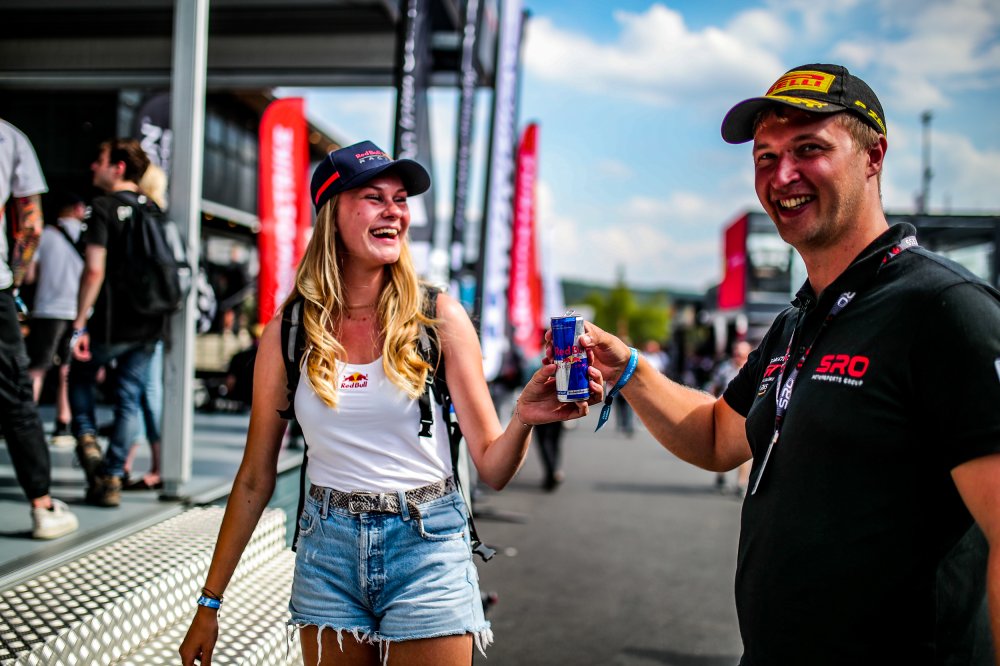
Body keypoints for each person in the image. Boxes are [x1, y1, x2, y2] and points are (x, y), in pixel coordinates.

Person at [576, 64, 1000, 664]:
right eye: (766, 157)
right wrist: (629, 369)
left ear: (874, 156)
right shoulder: (799, 320)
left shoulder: (943, 308)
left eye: (809, 149)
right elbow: (718, 436)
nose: (782, 176)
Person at [179, 140, 602, 666]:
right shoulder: (290, 330)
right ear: (332, 214)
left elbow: (493, 467)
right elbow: (253, 478)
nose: (394, 211)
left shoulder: (438, 317)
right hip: (326, 551)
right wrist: (209, 602)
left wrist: (524, 417)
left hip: (427, 546)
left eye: (400, 199)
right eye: (374, 197)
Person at [69, 138, 164, 507]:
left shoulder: (103, 207)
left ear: (119, 167)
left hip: (111, 322)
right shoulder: (153, 209)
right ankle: (111, 477)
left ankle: (87, 439)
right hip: (149, 322)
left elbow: (94, 270)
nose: (94, 167)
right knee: (129, 397)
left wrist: (79, 322)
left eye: (100, 160)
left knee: (79, 376)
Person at [0, 118, 78, 539]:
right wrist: (13, 280)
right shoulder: (10, 138)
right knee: (16, 393)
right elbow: (29, 224)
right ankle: (43, 506)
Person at [24, 191, 86, 447]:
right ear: (78, 208)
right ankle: (63, 424)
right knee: (66, 370)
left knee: (38, 367)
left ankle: (25, 422)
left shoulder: (45, 236)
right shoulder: (88, 235)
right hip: (79, 312)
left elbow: (29, 275)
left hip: (48, 310)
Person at [707, 340, 752, 496]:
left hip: (746, 414)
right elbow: (714, 386)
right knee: (723, 447)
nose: (738, 356)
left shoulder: (754, 369)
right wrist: (712, 403)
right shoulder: (725, 368)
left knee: (745, 450)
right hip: (725, 412)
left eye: (742, 354)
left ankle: (741, 483)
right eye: (736, 353)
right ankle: (721, 476)